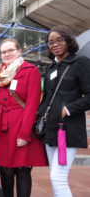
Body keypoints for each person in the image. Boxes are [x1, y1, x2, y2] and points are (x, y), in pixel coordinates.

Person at [0, 38, 47, 197]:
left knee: (22, 170)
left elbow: (32, 104)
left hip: (22, 125)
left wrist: (24, 134)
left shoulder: (30, 70)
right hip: (3, 128)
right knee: (5, 171)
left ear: (19, 51)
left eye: (10, 50)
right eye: (3, 52)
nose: (7, 54)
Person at [37, 25, 90, 197]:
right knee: (56, 176)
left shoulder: (79, 63)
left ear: (68, 40)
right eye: (50, 42)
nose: (54, 44)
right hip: (50, 129)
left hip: (67, 129)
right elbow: (47, 98)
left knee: (57, 177)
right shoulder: (51, 67)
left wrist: (68, 109)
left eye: (59, 39)